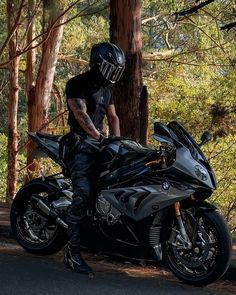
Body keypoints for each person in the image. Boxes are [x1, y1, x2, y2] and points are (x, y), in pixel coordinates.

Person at [63, 42, 126, 274]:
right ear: (98, 64)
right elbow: (81, 115)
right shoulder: (77, 83)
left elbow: (113, 117)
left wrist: (117, 141)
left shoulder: (107, 90)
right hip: (79, 144)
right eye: (110, 68)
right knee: (84, 194)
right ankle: (72, 251)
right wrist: (99, 136)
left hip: (100, 144)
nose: (113, 74)